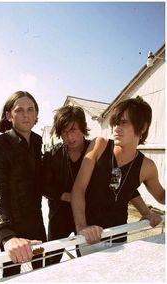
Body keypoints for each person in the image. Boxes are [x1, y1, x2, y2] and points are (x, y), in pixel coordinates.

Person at [71, 96, 165, 248]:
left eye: (124, 123)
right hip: (89, 235)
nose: (116, 128)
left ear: (142, 128)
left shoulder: (147, 166)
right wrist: (82, 227)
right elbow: (79, 187)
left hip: (119, 236)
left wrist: (146, 213)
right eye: (115, 122)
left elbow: (160, 196)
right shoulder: (99, 145)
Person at [0, 91, 47, 277]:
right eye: (19, 110)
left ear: (37, 114)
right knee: (10, 275)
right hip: (11, 224)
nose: (26, 115)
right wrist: (6, 234)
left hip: (36, 222)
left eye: (31, 110)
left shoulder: (37, 141)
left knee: (42, 273)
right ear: (8, 115)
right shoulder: (0, 144)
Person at [42, 105, 91, 264]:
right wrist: (66, 196)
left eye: (73, 129)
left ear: (82, 128)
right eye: (64, 132)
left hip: (87, 214)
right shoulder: (53, 154)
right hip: (59, 216)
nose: (69, 136)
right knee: (51, 261)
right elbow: (43, 185)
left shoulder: (95, 151)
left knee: (87, 259)